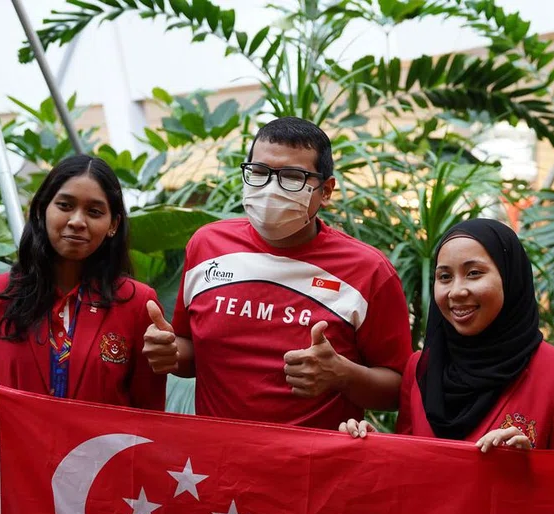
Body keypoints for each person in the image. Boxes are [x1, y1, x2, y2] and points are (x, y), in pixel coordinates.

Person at [143, 117, 412, 429]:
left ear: (325, 191)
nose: (271, 188)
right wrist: (170, 351)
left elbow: (399, 390)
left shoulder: (368, 270)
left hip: (316, 466)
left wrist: (342, 374)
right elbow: (190, 350)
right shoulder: (207, 246)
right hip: (215, 464)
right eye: (259, 172)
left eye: (292, 176)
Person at [0, 155, 166, 473]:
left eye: (94, 211)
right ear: (42, 209)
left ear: (113, 224)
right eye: (65, 205)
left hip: (101, 493)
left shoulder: (137, 304)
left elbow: (148, 417)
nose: (77, 220)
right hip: (17, 488)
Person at [341, 219, 554, 451]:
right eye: (445, 277)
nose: (457, 291)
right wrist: (374, 445)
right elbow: (408, 466)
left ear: (509, 277)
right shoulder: (420, 368)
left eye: (474, 273)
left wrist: (528, 466)